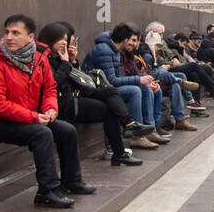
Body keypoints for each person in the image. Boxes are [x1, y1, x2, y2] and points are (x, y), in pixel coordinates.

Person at [0, 15, 92, 207]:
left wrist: (50, 109)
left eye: (16, 33)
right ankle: (47, 191)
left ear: (30, 37)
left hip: (29, 117)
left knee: (67, 131)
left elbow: (50, 88)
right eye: (7, 32)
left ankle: (71, 181)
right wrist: (33, 117)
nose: (9, 37)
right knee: (42, 134)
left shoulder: (39, 60)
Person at [36, 23, 141, 167]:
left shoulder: (58, 56)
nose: (65, 44)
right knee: (108, 109)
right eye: (63, 40)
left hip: (74, 95)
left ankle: (127, 126)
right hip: (60, 103)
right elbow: (53, 83)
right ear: (51, 39)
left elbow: (77, 78)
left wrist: (72, 61)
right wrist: (66, 63)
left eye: (67, 41)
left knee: (110, 91)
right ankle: (120, 148)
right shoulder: (42, 57)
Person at [87, 23, 165, 147]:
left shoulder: (114, 50)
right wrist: (138, 80)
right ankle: (137, 136)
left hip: (108, 87)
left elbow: (119, 77)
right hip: (97, 89)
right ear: (125, 40)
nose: (132, 43)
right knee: (135, 90)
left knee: (144, 88)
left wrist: (144, 81)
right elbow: (112, 80)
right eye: (131, 39)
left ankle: (150, 129)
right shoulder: (104, 50)